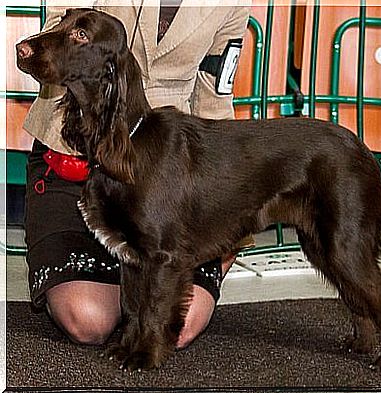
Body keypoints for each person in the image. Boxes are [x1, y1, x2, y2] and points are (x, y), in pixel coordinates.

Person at [22, 0, 254, 349]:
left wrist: (231, 226)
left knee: (176, 325)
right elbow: (59, 36)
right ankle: (127, 281)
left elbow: (214, 98)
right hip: (75, 159)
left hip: (169, 179)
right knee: (88, 319)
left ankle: (142, 278)